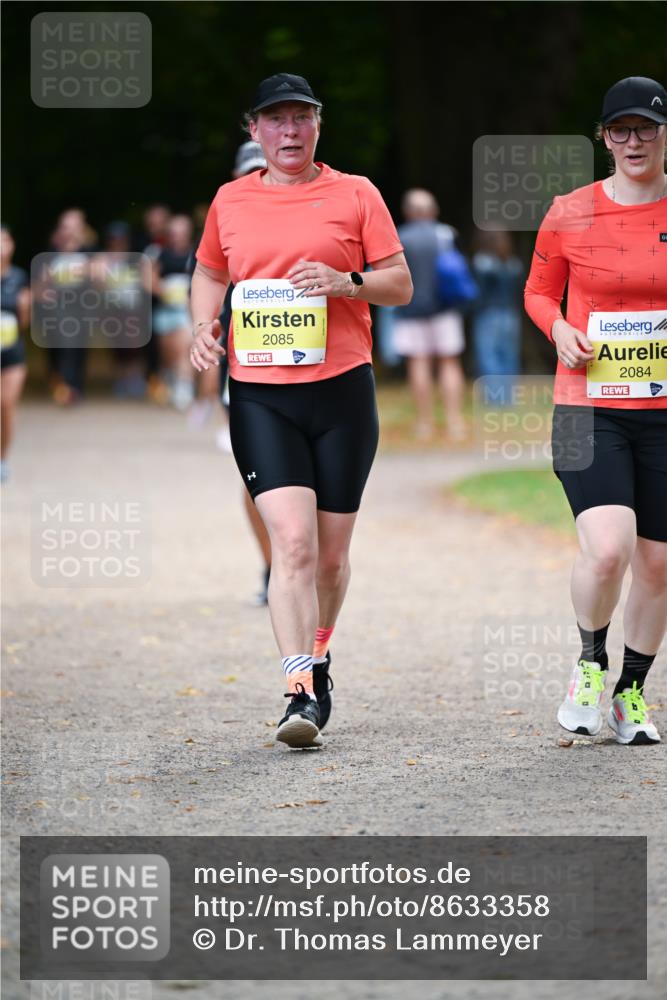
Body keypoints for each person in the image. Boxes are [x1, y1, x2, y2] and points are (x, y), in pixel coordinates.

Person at [190, 73, 412, 748]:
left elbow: (399, 285)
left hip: (342, 390)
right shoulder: (229, 200)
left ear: (317, 125)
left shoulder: (355, 194)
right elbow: (208, 272)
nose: (289, 131)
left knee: (330, 560)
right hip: (260, 393)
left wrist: (346, 282)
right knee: (291, 543)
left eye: (301, 118)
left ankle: (319, 654)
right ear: (253, 130)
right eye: (275, 120)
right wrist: (204, 325)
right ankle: (298, 689)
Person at [525, 76, 667, 745]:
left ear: (663, 134)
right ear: (603, 138)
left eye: (644, 128)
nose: (632, 141)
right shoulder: (570, 211)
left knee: (659, 564)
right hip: (588, 406)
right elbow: (537, 293)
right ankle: (589, 664)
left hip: (662, 411)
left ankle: (630, 695)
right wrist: (556, 330)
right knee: (607, 551)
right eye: (620, 130)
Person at [393, 189, 466, 442]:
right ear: (433, 211)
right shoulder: (446, 234)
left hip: (410, 310)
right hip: (445, 309)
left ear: (408, 212)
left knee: (419, 363)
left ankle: (424, 423)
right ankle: (455, 422)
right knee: (449, 363)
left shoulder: (398, 238)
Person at [471, 230, 523, 397]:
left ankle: (494, 398)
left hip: (488, 314)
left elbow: (477, 292)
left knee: (489, 356)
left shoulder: (481, 262)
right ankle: (508, 398)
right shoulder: (514, 263)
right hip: (511, 315)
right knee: (509, 356)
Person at [153, 214, 195, 410]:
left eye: (181, 233)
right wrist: (162, 290)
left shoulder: (196, 253)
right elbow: (150, 278)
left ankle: (184, 389)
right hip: (165, 311)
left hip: (185, 311)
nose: (177, 237)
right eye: (174, 233)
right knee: (167, 352)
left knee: (182, 349)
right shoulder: (161, 254)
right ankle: (169, 380)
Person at [1, 225, 30, 482]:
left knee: (6, 404)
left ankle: (3, 458)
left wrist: (25, 306)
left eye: (4, 241)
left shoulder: (19, 278)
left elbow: (24, 322)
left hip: (12, 353)